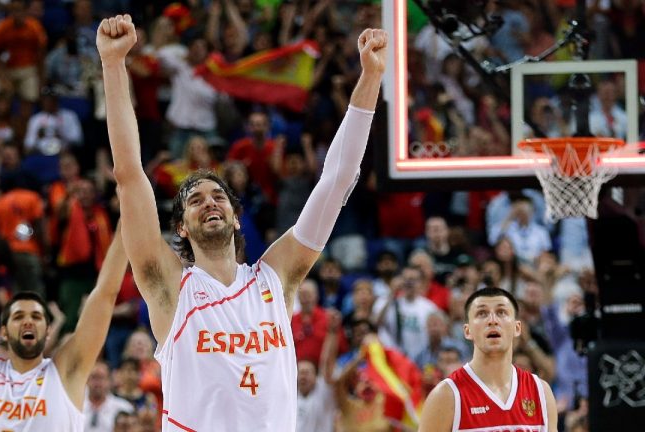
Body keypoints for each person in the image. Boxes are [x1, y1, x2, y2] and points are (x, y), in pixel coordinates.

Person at [97, 14, 386, 431]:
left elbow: (337, 179)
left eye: (218, 196)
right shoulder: (170, 287)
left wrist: (371, 78)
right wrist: (113, 64)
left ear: (235, 218)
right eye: (195, 200)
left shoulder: (275, 278)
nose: (209, 203)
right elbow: (128, 175)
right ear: (181, 227)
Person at [0, 172, 129, 430]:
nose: (28, 321)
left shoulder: (67, 371)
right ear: (3, 331)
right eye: (19, 316)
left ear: (48, 330)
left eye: (36, 316)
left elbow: (105, 294)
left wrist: (126, 218)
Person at [418, 287, 558, 432]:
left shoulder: (541, 392)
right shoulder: (446, 395)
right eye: (482, 313)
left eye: (501, 312)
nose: (492, 320)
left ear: (517, 328)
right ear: (467, 331)